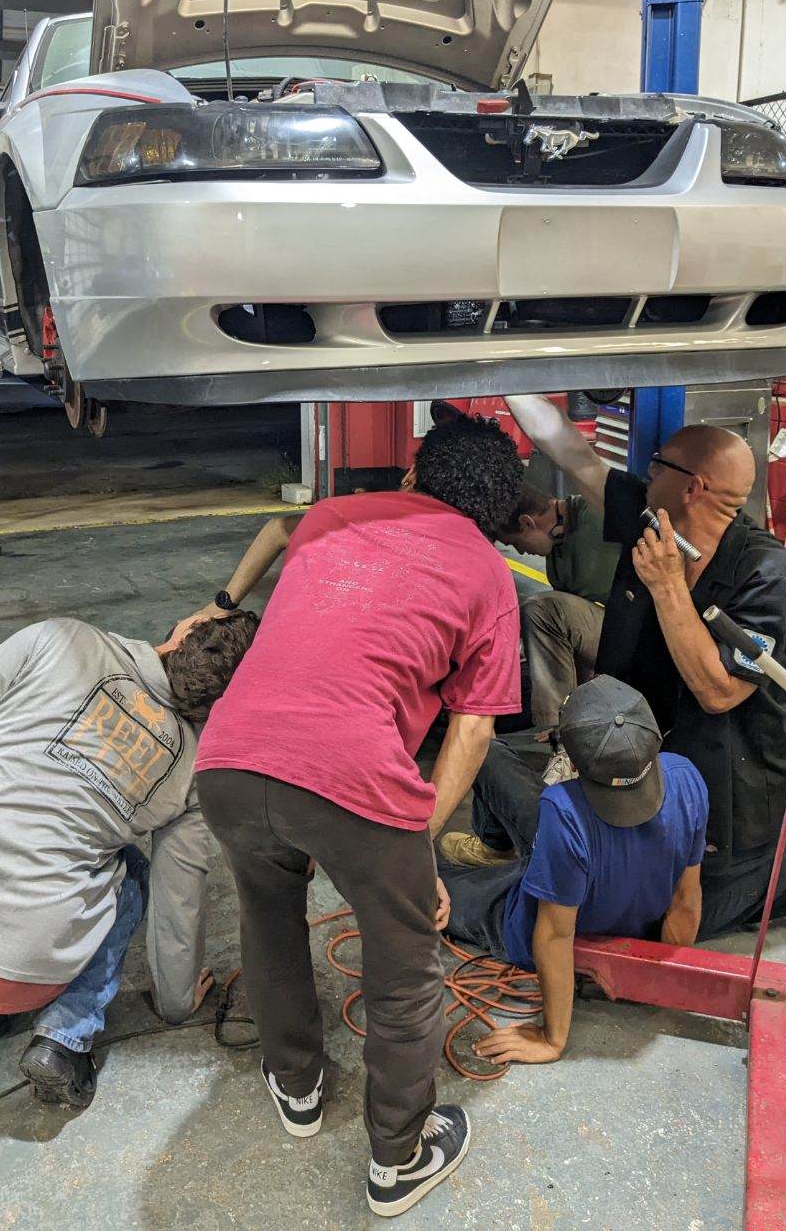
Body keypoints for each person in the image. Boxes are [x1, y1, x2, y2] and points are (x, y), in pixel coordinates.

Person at [194, 413, 524, 1219]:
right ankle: (400, 1157)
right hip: (348, 775)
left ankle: (297, 1086)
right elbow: (474, 728)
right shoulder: (488, 574)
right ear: (495, 513)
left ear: (416, 477)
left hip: (229, 757)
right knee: (405, 970)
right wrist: (416, 836)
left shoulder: (344, 512)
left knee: (267, 917)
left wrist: (220, 604)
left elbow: (278, 528)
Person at [493, 394, 786, 952]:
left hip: (725, 776)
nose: (644, 475)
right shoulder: (655, 519)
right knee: (502, 759)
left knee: (652, 912)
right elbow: (574, 454)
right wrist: (510, 370)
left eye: (656, 467)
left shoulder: (768, 578)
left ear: (692, 485)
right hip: (650, 747)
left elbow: (718, 692)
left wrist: (669, 586)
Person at [0, 610, 258, 1109]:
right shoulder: (194, 771)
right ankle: (64, 1038)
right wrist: (177, 1002)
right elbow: (181, 899)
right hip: (24, 972)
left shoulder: (60, 638)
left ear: (185, 629)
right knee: (134, 874)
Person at [439, 677, 707, 1065]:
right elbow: (686, 899)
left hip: (528, 917)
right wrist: (652, 981)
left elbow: (554, 934)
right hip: (591, 877)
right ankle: (499, 851)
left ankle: (503, 860)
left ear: (572, 761)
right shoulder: (685, 776)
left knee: (429, 887)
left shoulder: (562, 808)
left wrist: (552, 1039)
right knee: (488, 751)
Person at [495, 483, 620, 782]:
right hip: (614, 635)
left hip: (647, 631)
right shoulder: (558, 557)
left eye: (515, 543)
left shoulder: (597, 510)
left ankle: (565, 745)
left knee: (541, 608)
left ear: (528, 522)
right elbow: (569, 638)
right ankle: (564, 738)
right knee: (546, 610)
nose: (519, 551)